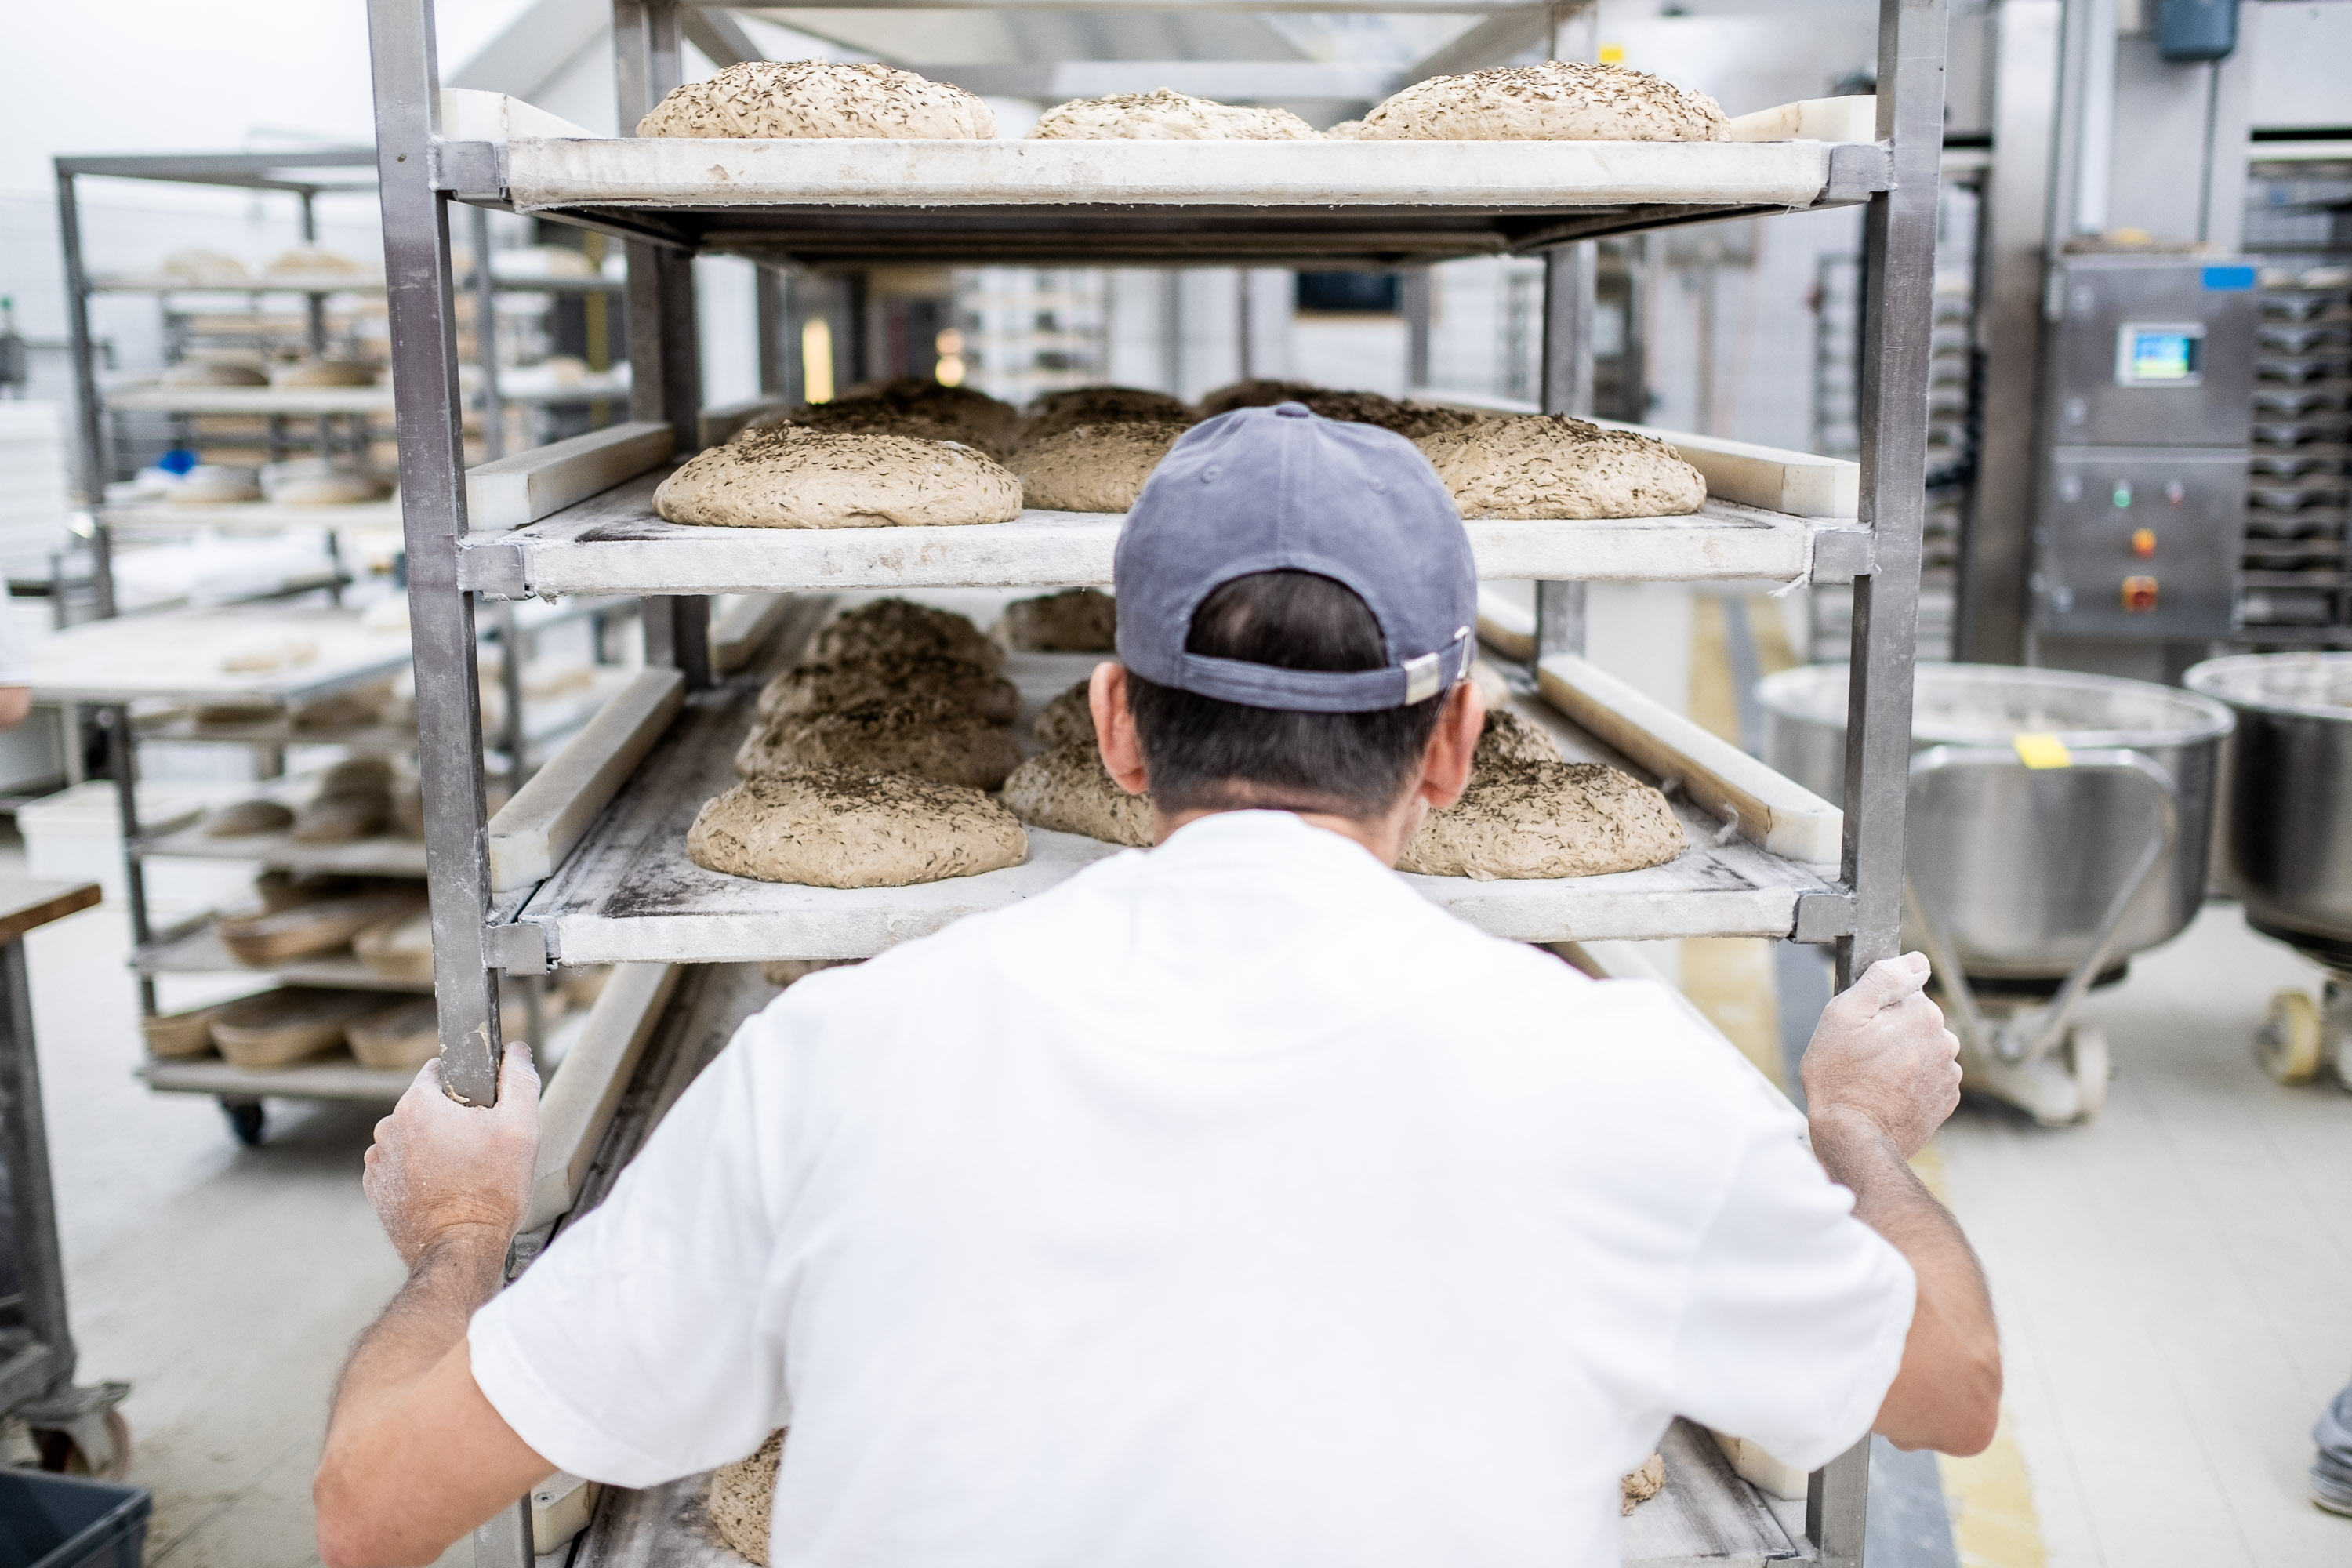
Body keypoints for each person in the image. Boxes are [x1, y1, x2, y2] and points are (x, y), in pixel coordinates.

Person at [314, 405, 1999, 1568]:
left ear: (1112, 723)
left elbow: (374, 1502)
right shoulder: (1628, 1081)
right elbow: (1949, 1386)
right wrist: (1856, 1130)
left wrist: (463, 1232)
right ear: (1465, 742)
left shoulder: (835, 1054)